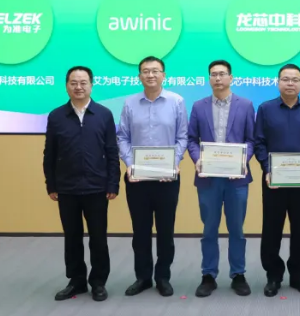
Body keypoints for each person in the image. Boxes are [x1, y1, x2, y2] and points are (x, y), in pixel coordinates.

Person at [43, 66, 120, 302]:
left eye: (83, 82)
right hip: (67, 188)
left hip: (97, 187)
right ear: (67, 86)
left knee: (98, 238)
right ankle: (76, 281)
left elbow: (112, 151)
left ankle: (98, 282)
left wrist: (113, 183)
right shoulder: (56, 116)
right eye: (74, 83)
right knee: (72, 237)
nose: (78, 87)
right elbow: (49, 153)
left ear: (91, 85)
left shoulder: (104, 114)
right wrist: (51, 184)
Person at [117, 56, 188, 297]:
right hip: (137, 179)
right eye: (146, 71)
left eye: (155, 71)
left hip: (167, 179)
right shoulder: (129, 103)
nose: (150, 75)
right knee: (140, 232)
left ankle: (163, 277)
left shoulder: (177, 101)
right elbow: (122, 137)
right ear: (139, 76)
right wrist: (129, 164)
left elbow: (182, 137)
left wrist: (174, 163)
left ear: (163, 75)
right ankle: (143, 277)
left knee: (166, 231)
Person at [187, 60, 255, 297]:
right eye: (213, 74)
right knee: (209, 229)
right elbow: (191, 139)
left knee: (237, 229)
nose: (218, 78)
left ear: (231, 77)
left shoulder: (245, 105)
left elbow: (251, 140)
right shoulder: (199, 106)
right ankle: (208, 274)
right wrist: (197, 159)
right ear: (209, 78)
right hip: (208, 178)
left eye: (222, 74)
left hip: (236, 178)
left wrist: (242, 160)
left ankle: (238, 274)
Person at [254, 63, 300, 297]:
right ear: (278, 82)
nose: (290, 83)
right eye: (285, 79)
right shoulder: (265, 109)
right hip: (274, 181)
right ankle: (273, 276)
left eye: (295, 79)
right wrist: (267, 168)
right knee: (271, 228)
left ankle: (299, 276)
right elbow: (259, 143)